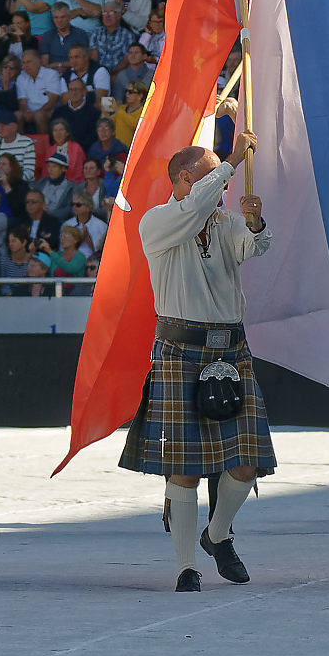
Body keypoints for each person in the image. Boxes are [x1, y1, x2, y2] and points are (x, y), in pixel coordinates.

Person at [119, 102, 269, 592]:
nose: (222, 189)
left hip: (230, 351)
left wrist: (253, 225)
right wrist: (231, 160)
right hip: (180, 350)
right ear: (183, 179)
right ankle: (186, 566)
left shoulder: (222, 222)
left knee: (245, 461)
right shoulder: (158, 223)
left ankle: (218, 533)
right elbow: (199, 204)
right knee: (183, 470)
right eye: (210, 180)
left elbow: (255, 252)